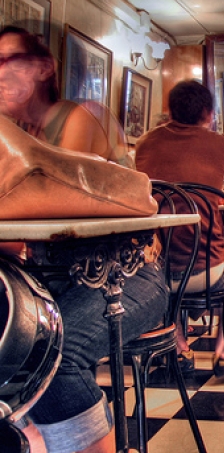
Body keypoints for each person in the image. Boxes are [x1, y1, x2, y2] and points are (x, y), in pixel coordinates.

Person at [0, 27, 168, 453]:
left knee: (50, 355)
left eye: (7, 60)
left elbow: (57, 196)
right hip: (54, 282)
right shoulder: (15, 137)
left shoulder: (79, 117)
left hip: (128, 273)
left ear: (42, 67)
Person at [135, 80, 224, 377]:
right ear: (209, 113)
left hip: (149, 273)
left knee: (169, 269)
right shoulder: (219, 143)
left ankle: (178, 347)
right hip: (203, 272)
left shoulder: (145, 143)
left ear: (169, 111)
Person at [0, 26, 131, 167]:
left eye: (17, 62)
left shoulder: (82, 116)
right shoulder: (25, 126)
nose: (2, 74)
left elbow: (56, 185)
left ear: (44, 69)